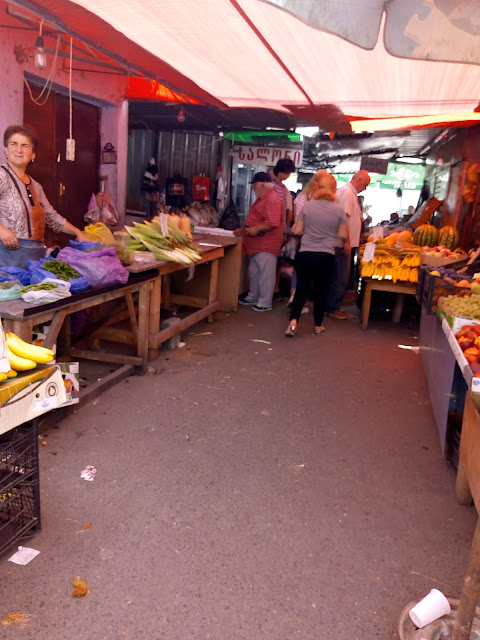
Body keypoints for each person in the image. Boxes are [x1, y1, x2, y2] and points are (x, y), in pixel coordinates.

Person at [0, 124, 88, 250]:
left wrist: (77, 233)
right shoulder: (1, 176)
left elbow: (51, 217)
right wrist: (1, 230)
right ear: (6, 150)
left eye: (25, 145)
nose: (19, 150)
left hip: (31, 256)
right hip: (4, 258)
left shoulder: (36, 186)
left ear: (33, 155)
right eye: (13, 144)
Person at [285, 170, 347, 337]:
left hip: (305, 253)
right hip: (326, 255)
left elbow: (297, 230)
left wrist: (310, 230)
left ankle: (293, 322)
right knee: (321, 291)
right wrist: (328, 231)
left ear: (318, 188)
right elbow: (343, 235)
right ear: (334, 190)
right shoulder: (339, 210)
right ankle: (318, 325)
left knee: (301, 289)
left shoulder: (308, 206)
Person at [234, 172, 283, 312]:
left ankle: (265, 302)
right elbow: (255, 217)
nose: (253, 189)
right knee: (254, 273)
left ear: (261, 185)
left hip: (266, 244)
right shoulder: (262, 198)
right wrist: (242, 229)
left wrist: (256, 229)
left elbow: (272, 222)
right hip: (256, 244)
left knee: (265, 275)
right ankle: (253, 297)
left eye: (254, 186)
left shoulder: (272, 199)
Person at [325, 169, 370, 320]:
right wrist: (347, 242)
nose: (365, 188)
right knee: (340, 276)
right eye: (365, 184)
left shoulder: (349, 193)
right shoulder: (346, 192)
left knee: (339, 275)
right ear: (358, 180)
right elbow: (343, 219)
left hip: (345, 242)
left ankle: (332, 306)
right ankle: (332, 308)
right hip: (341, 243)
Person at [269, 158, 296, 301]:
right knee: (272, 262)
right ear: (283, 171)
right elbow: (286, 212)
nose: (288, 176)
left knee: (277, 262)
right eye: (288, 172)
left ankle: (275, 289)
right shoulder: (272, 187)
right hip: (272, 230)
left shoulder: (283, 189)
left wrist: (284, 230)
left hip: (279, 230)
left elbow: (287, 212)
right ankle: (271, 290)